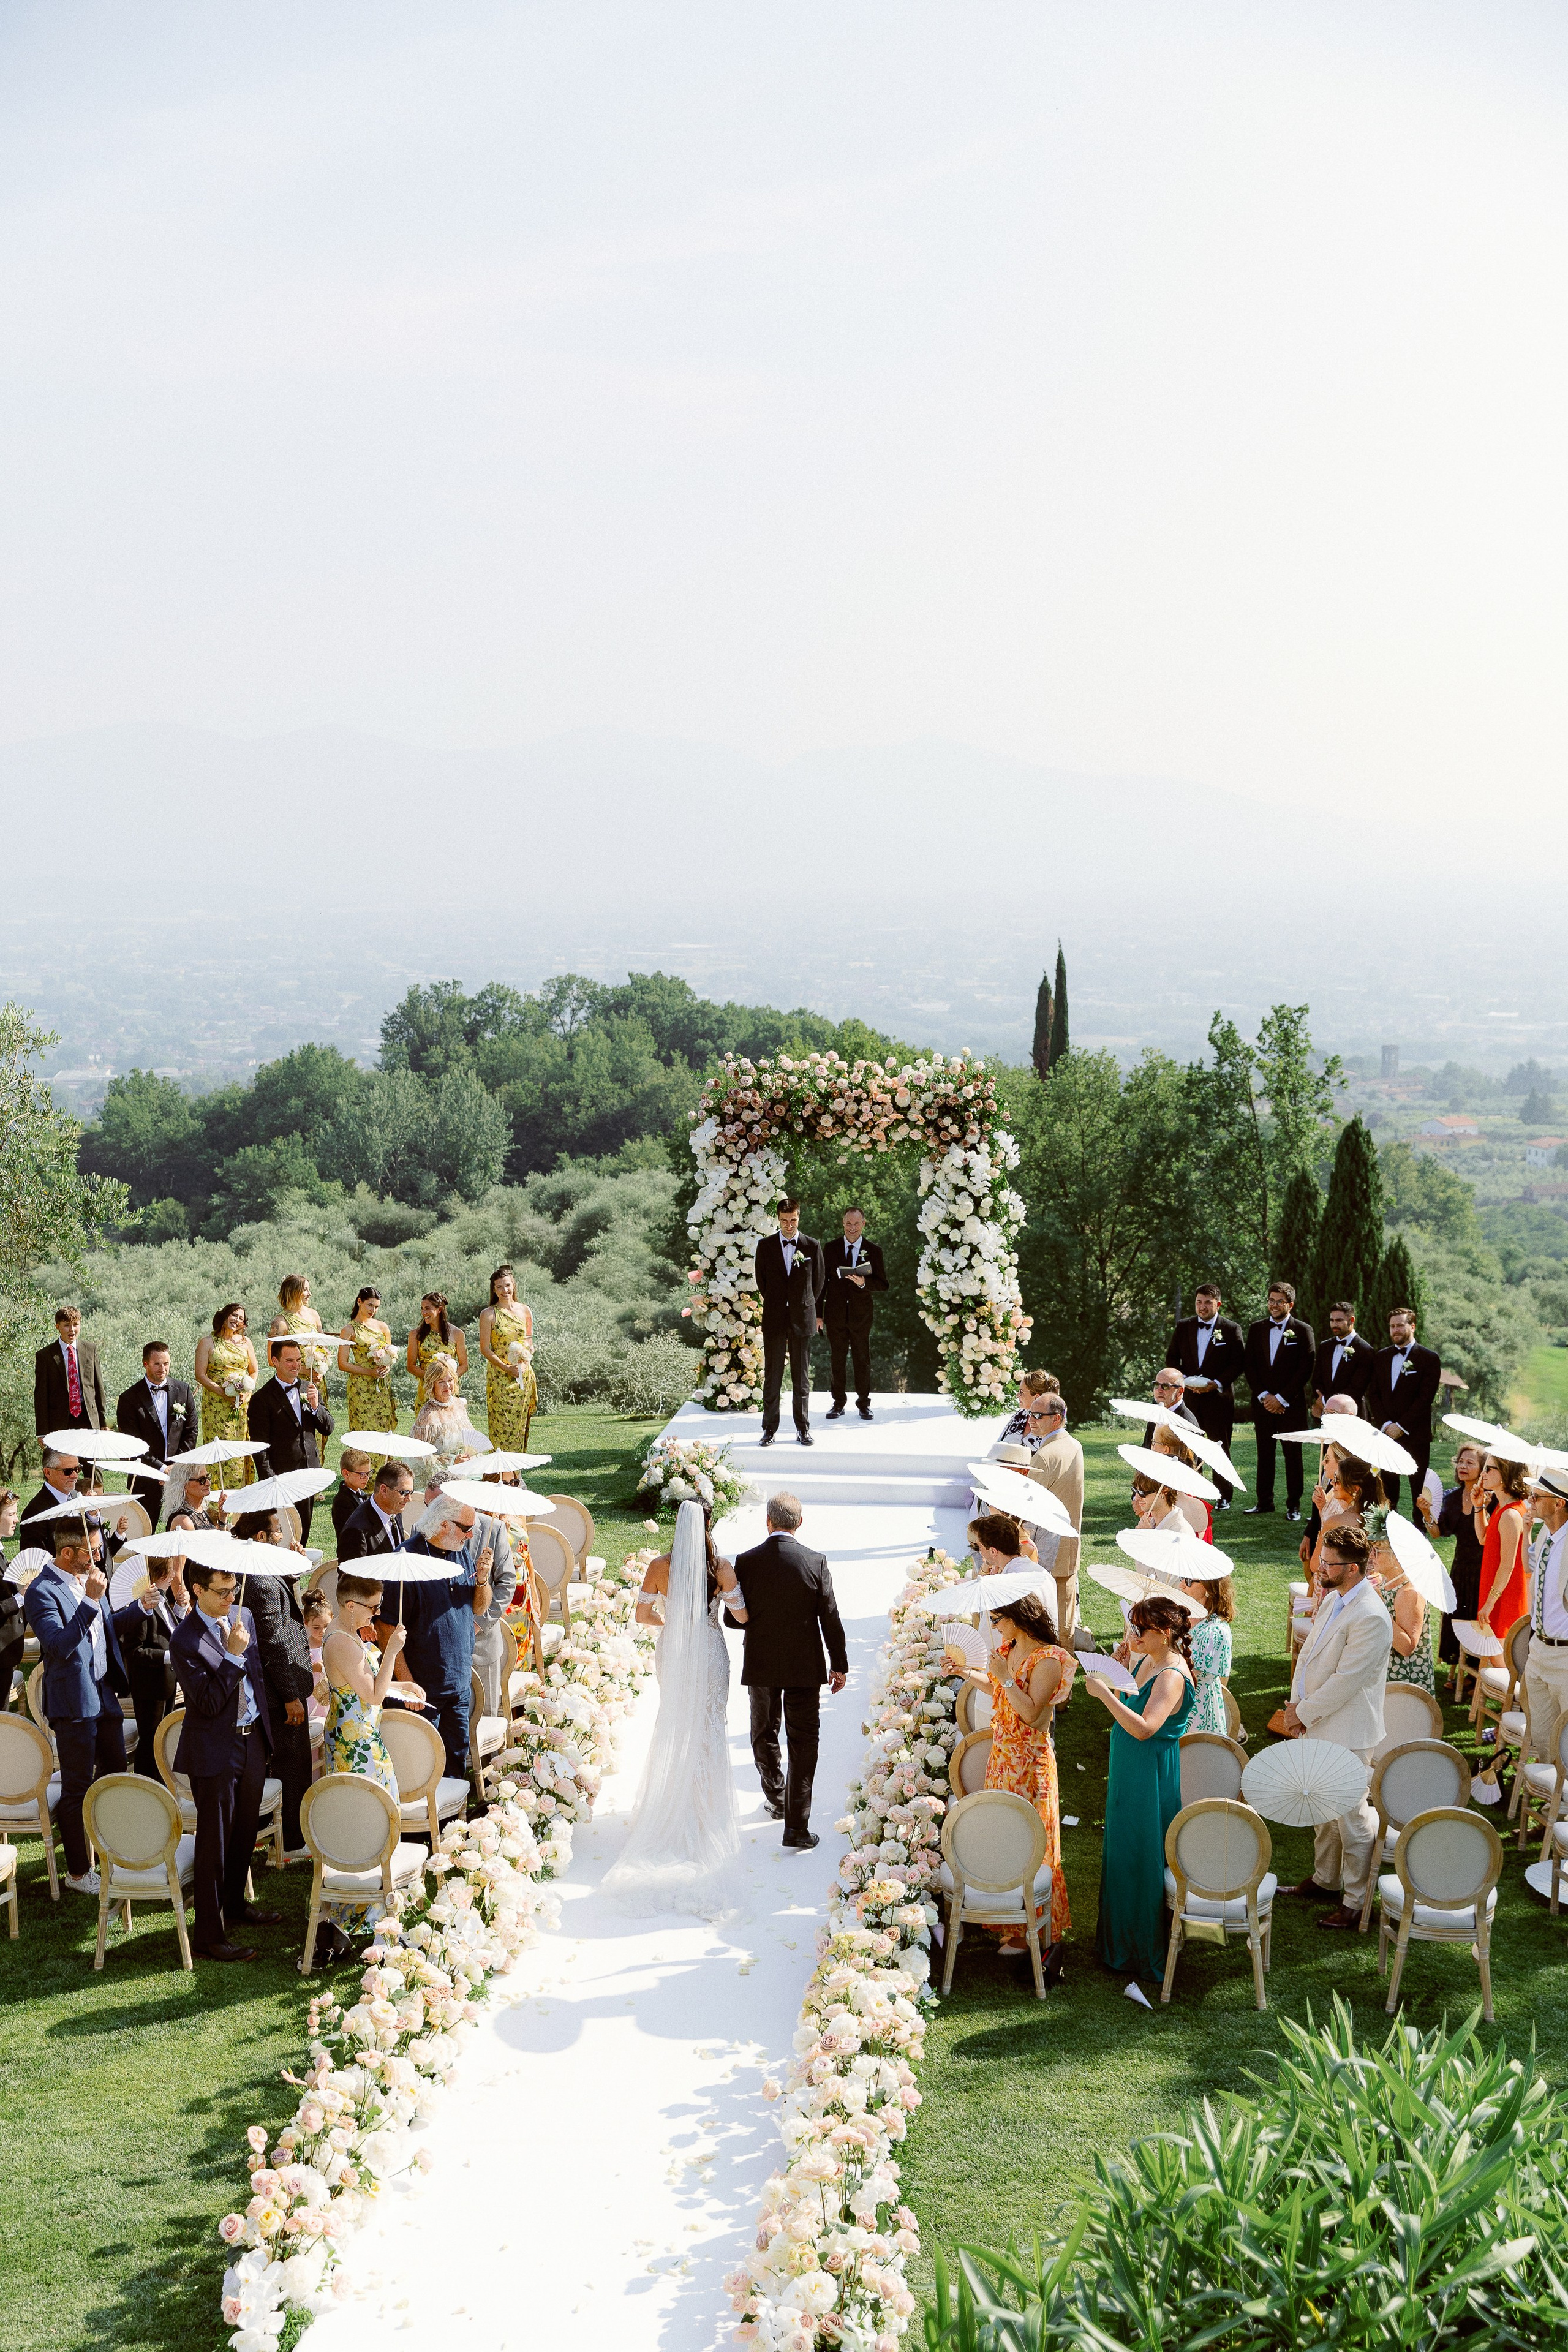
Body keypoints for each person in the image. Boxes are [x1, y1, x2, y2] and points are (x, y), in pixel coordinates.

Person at [604, 1499, 747, 1917]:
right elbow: (742, 1613)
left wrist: (675, 1624)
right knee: (709, 1726)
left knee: (676, 1722)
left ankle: (672, 1806)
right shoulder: (720, 1567)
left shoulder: (659, 1566)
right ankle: (707, 1813)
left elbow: (643, 1615)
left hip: (676, 1650)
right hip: (708, 1647)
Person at [946, 1591, 1074, 1971]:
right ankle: (1010, 1917)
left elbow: (1033, 1715)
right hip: (1002, 1758)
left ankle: (1032, 1926)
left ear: (1018, 1618)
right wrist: (964, 1673)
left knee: (1032, 1839)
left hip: (1029, 1763)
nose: (995, 1626)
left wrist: (1004, 1677)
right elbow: (993, 1686)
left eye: (998, 1619)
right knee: (1003, 1836)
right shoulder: (1010, 1645)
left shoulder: (1049, 1659)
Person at [171, 1558, 281, 1963]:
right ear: (197, 1589)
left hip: (253, 1742)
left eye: (234, 1589)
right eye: (222, 1591)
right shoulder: (185, 1640)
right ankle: (209, 1935)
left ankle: (235, 1904)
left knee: (244, 1831)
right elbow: (209, 1701)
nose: (230, 1598)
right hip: (215, 1749)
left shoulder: (244, 1616)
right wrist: (233, 1656)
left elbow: (258, 1677)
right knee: (214, 1842)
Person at [1283, 1523, 1391, 1931]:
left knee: (1351, 1818)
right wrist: (1296, 1707)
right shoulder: (1334, 1599)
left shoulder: (1372, 1616)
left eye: (1329, 1564)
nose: (1320, 1568)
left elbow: (1347, 1680)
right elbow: (1309, 1656)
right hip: (1318, 1721)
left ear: (1353, 1568)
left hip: (1348, 1730)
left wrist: (1303, 1713)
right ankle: (1326, 1879)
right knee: (1322, 1812)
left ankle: (1356, 1901)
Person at [725, 1492, 848, 1850]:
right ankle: (796, 1826)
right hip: (805, 1666)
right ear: (800, 1522)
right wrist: (838, 1664)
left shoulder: (746, 1562)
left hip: (761, 1662)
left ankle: (776, 1797)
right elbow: (831, 1616)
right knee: (804, 1741)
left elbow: (735, 1620)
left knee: (763, 1730)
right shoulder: (815, 1561)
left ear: (768, 1522)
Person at [1086, 1594, 1197, 1976]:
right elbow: (1133, 1712)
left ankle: (1139, 1949)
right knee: (1123, 1848)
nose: (1133, 1635)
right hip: (1130, 1767)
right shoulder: (1150, 1660)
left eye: (1140, 1629)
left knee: (1141, 1851)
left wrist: (1104, 1696)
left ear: (1164, 1634)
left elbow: (1145, 1728)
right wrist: (1119, 1681)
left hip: (1148, 1774)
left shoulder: (1171, 1675)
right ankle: (1118, 1942)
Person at [23, 1523, 131, 1893]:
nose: (98, 1556)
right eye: (91, 1551)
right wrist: (88, 1602)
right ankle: (78, 1873)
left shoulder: (93, 1578)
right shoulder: (41, 1591)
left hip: (103, 1693)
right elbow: (58, 1646)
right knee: (78, 1787)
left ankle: (116, 1849)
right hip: (73, 1703)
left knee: (117, 1773)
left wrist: (143, 1609)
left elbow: (108, 1626)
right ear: (67, 1553)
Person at [377, 1493, 494, 1777]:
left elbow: (479, 1607)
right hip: (422, 1689)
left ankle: (455, 1821)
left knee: (456, 1761)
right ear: (444, 1525)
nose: (471, 1535)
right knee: (421, 1768)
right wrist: (407, 1684)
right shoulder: (406, 1561)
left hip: (459, 1683)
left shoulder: (460, 1551)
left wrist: (482, 1580)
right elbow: (385, 1628)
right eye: (467, 1529)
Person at [230, 1506, 314, 1856]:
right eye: (277, 1531)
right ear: (261, 1537)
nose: (282, 1537)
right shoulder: (261, 1583)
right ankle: (292, 1841)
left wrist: (290, 1579)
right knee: (291, 1766)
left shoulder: (264, 1574)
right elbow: (274, 1647)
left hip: (279, 1688)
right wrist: (292, 1696)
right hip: (280, 1693)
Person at [1165, 1285, 1245, 1507]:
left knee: (1218, 1447)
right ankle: (1191, 1492)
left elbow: (1238, 1363)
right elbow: (1172, 1359)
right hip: (1189, 1398)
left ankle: (1223, 1496)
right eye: (1199, 1302)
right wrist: (1186, 1381)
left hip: (1219, 1398)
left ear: (1218, 1304)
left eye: (1208, 1303)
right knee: (1188, 1445)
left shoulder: (1231, 1329)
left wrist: (1216, 1383)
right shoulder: (1184, 1327)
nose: (1203, 1307)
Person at [113, 1545, 190, 1776]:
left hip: (165, 1684)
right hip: (149, 1687)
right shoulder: (141, 1607)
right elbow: (134, 1651)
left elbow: (167, 1631)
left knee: (162, 1741)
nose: (175, 1576)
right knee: (151, 1743)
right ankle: (146, 1785)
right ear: (159, 1573)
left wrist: (180, 1607)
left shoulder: (161, 1597)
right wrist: (168, 1656)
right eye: (170, 1571)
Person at [755, 1200, 826, 1447]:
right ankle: (769, 1430)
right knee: (773, 1376)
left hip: (802, 1319)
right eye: (784, 1220)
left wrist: (802, 1305)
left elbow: (818, 1283)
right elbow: (761, 1281)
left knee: (802, 1379)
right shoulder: (765, 1246)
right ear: (778, 1218)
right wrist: (780, 1304)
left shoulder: (812, 1245)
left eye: (793, 1220)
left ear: (799, 1217)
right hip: (774, 1319)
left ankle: (803, 1429)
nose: (788, 1225)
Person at [1243, 1281, 1316, 1520]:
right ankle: (1264, 1502)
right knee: (1265, 1453)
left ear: (1290, 1304)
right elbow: (1250, 1365)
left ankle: (1293, 1506)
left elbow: (1306, 1368)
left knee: (1293, 1456)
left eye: (1280, 1302)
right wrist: (1264, 1396)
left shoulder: (1303, 1330)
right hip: (1263, 1403)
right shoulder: (1256, 1328)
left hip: (1290, 1405)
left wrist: (1282, 1398)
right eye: (1271, 1301)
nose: (1274, 1305)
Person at [247, 1339, 334, 1537]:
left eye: (299, 1360)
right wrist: (271, 1480)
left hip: (310, 1473)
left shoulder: (309, 1389)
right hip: (282, 1477)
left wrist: (315, 1407)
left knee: (303, 1533)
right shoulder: (262, 1398)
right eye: (289, 1361)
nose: (296, 1365)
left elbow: (328, 1428)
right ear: (275, 1361)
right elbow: (259, 1446)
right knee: (282, 1534)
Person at [1366, 1306, 1442, 1514]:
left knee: (1419, 1489)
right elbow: (1374, 1394)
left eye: (1400, 1325)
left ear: (1413, 1327)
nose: (1395, 1330)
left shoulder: (1429, 1358)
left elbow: (1425, 1398)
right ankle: (1387, 1530)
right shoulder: (1381, 1357)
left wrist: (1401, 1426)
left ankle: (1421, 1529)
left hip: (1415, 1435)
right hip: (1386, 1434)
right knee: (1386, 1487)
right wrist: (1386, 1425)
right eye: (1392, 1326)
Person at [114, 1340, 199, 1521]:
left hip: (180, 1476)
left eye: (166, 1364)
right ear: (145, 1364)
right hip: (145, 1476)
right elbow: (132, 1444)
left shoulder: (183, 1390)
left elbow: (191, 1432)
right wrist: (160, 1469)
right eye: (157, 1364)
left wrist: (176, 1467)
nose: (163, 1369)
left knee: (181, 1527)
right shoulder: (129, 1399)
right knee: (144, 1529)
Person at [1024, 1389, 1084, 1641]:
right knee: (1065, 1623)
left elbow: (1026, 1506)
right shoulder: (1074, 1445)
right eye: (1030, 1413)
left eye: (1039, 1415)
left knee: (1047, 1627)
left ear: (1056, 1418)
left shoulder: (1045, 1456)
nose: (1031, 1420)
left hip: (1048, 1550)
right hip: (1069, 1546)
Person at [1521, 1469, 1568, 1791]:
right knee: (1543, 1736)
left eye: (1538, 1497)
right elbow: (1531, 1567)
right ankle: (1553, 1807)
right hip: (1537, 1651)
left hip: (1565, 1656)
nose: (1531, 1501)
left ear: (1559, 1504)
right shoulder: (1544, 1535)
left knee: (1567, 1744)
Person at [1420, 1442, 1486, 1668]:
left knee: (1478, 1620)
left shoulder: (1491, 1499)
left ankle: (1475, 1671)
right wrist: (1427, 1513)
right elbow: (1438, 1533)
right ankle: (1458, 1667)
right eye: (1460, 1461)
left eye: (1470, 1462)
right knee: (1458, 1616)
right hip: (1460, 1568)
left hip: (1484, 1568)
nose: (1463, 1466)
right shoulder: (1453, 1498)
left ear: (1482, 1468)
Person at [821, 1207, 888, 1423]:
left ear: (864, 1225)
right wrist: (818, 1315)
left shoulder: (873, 1250)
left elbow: (883, 1284)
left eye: (856, 1224)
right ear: (843, 1223)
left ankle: (864, 1405)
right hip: (835, 1315)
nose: (852, 1228)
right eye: (848, 1224)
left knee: (862, 1359)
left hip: (861, 1316)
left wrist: (864, 1283)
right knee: (837, 1360)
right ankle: (838, 1403)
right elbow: (821, 1284)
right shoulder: (830, 1249)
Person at [195, 1303, 259, 1492]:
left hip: (242, 1404)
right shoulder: (207, 1342)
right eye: (234, 1315)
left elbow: (254, 1371)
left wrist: (246, 1389)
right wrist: (222, 1392)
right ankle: (218, 1499)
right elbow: (200, 1375)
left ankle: (242, 1495)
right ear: (224, 1316)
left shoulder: (246, 1342)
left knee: (240, 1449)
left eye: (241, 1318)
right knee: (220, 1449)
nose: (238, 1320)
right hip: (216, 1405)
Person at [478, 1264, 538, 1453]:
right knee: (503, 1423)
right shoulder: (488, 1314)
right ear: (494, 1290)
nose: (505, 1290)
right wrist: (506, 1367)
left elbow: (529, 1340)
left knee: (521, 1424)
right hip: (500, 1377)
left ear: (514, 1285)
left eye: (507, 1285)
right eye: (499, 1287)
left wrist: (527, 1354)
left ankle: (517, 1474)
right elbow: (485, 1349)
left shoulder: (525, 1310)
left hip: (523, 1374)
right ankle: (500, 1473)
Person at [1474, 1452, 1532, 1638]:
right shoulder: (1502, 1507)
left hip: (1505, 1594)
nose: (1483, 1473)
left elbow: (1508, 1566)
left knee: (1501, 1658)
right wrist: (1478, 1507)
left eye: (1489, 1469)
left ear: (1505, 1474)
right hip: (1495, 1586)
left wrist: (1490, 1603)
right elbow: (1483, 1539)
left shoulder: (1510, 1514)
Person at [1297, 1393, 1359, 1567]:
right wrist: (1310, 1533)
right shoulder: (1329, 1444)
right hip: (1322, 1530)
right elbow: (1323, 1490)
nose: (1326, 1418)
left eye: (1332, 1413)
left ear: (1350, 1417)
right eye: (1325, 1413)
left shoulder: (1358, 1455)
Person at [337, 1286, 398, 1461]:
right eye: (370, 1305)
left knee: (384, 1431)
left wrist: (387, 1366)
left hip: (382, 1388)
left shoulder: (382, 1327)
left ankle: (383, 1473)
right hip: (361, 1389)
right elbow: (343, 1364)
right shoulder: (349, 1329)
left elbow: (390, 1353)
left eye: (377, 1307)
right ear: (360, 1302)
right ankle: (363, 1473)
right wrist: (370, 1372)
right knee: (363, 1431)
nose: (373, 1310)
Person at [33, 1305, 108, 1439]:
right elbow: (41, 1397)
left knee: (88, 1460)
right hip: (60, 1422)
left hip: (89, 1419)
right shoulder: (45, 1356)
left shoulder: (90, 1349)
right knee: (65, 1460)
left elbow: (98, 1387)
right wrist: (42, 1431)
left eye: (76, 1325)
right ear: (58, 1327)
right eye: (67, 1325)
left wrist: (102, 1422)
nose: (72, 1330)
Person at [1181, 1571, 1234, 1733]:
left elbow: (1222, 1680)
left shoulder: (1216, 1631)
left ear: (1209, 1589)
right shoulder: (1180, 1617)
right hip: (1177, 1701)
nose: (1181, 1585)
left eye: (1189, 1581)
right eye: (1182, 1578)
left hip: (1198, 1710)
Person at [268, 1275, 334, 1403]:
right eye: (305, 1290)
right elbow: (272, 1360)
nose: (309, 1294)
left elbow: (324, 1347)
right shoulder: (280, 1322)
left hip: (317, 1380)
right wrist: (304, 1370)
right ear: (293, 1291)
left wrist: (321, 1369)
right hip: (293, 1381)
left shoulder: (314, 1314)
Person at [339, 1460, 417, 1561]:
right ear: (384, 1490)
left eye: (411, 1492)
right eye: (404, 1493)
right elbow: (349, 1576)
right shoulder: (356, 1531)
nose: (409, 1499)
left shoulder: (395, 1510)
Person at [407, 1292, 467, 1415]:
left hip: (449, 1390)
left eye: (428, 1309)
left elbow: (464, 1365)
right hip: (426, 1390)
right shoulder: (415, 1335)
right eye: (422, 1309)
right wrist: (432, 1379)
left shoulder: (457, 1333)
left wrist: (449, 1379)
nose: (424, 1313)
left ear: (439, 1309)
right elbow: (411, 1366)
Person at [1311, 1303, 1373, 1417]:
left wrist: (1326, 1402)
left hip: (1352, 1415)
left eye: (1339, 1320)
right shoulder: (1325, 1347)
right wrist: (1321, 1402)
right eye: (1332, 1320)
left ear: (1352, 1320)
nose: (1334, 1324)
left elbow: (1357, 1387)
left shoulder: (1365, 1350)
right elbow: (1316, 1380)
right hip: (1325, 1415)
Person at [411, 1354, 481, 1452]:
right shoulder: (427, 1415)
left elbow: (471, 1439)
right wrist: (452, 1461)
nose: (447, 1385)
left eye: (450, 1380)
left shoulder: (459, 1404)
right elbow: (419, 1456)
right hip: (443, 1466)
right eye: (441, 1382)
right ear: (432, 1384)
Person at [995, 1368, 1060, 1451]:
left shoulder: (1052, 1425)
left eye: (1022, 1392)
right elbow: (998, 1447)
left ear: (1037, 1397)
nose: (1017, 1395)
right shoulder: (1020, 1416)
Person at [1142, 1368, 1202, 1450]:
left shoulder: (1187, 1424)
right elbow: (1146, 1447)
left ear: (1180, 1392)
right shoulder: (1157, 1412)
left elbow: (1191, 1461)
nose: (1159, 1390)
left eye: (1165, 1386)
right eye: (1156, 1385)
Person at [331, 1449, 374, 1548]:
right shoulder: (342, 1501)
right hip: (353, 1549)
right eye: (362, 1474)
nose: (367, 1478)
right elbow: (356, 1530)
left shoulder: (362, 1493)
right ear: (346, 1474)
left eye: (369, 1473)